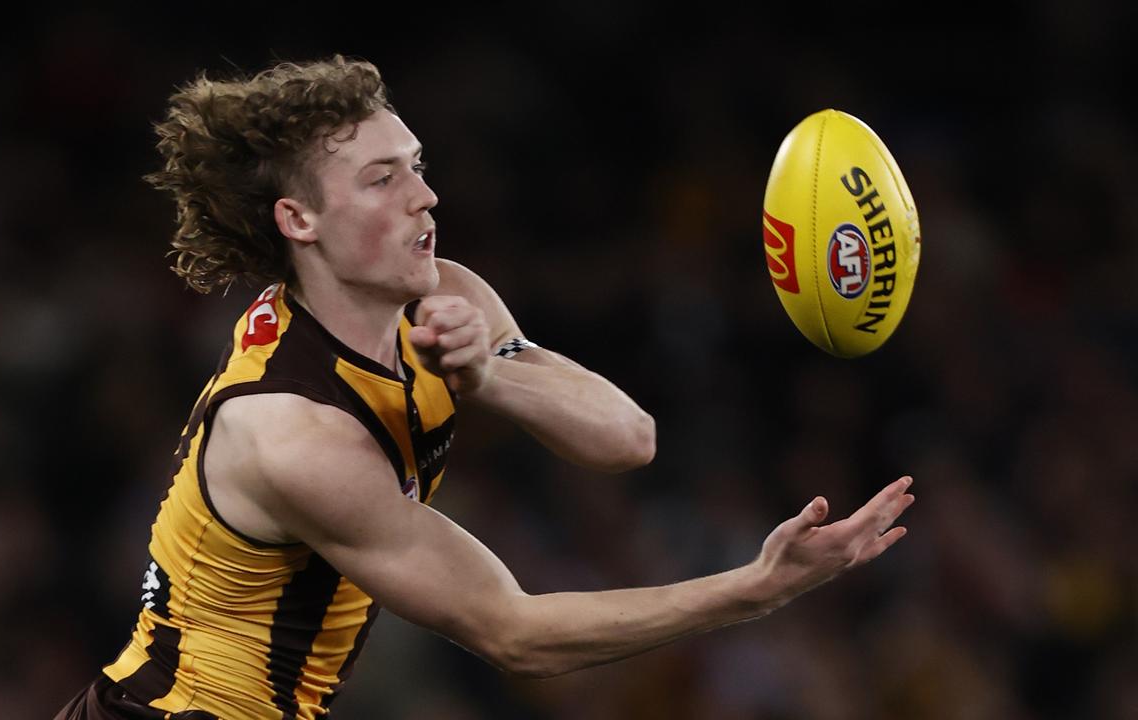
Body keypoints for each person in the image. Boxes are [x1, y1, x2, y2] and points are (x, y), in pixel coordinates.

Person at [54, 55, 915, 720]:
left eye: (417, 165)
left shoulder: (445, 294)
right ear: (298, 220)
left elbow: (627, 438)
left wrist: (489, 377)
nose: (426, 197)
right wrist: (756, 588)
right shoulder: (289, 433)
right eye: (382, 180)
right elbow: (514, 634)